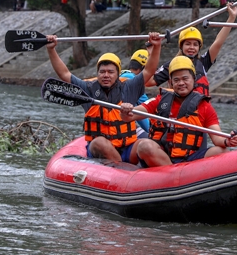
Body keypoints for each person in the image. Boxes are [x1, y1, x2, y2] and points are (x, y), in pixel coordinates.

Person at [45, 31, 162, 163]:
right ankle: (122, 172)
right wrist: (51, 50)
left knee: (147, 145)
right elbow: (65, 74)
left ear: (118, 74)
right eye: (102, 72)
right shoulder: (87, 89)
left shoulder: (129, 87)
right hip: (101, 149)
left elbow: (148, 71)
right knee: (100, 142)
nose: (106, 75)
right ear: (98, 74)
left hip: (127, 147)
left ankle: (170, 178)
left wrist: (156, 47)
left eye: (111, 72)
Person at [121, 56, 237, 167]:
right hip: (161, 155)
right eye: (176, 80)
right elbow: (129, 116)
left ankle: (179, 176)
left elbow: (217, 138)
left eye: (185, 79)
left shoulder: (204, 106)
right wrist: (126, 110)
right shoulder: (159, 101)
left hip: (188, 158)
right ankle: (174, 176)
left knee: (222, 151)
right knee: (144, 146)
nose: (181, 83)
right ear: (171, 82)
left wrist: (227, 140)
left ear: (193, 79)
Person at [146, 2, 237, 97]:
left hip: (199, 109)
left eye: (195, 45)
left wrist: (232, 17)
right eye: (188, 44)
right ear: (181, 46)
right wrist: (151, 54)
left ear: (199, 47)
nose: (192, 48)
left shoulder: (203, 62)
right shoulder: (171, 65)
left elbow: (218, 42)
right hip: (178, 109)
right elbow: (148, 81)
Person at [120, 47, 152, 133]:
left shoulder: (121, 75)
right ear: (143, 68)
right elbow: (148, 106)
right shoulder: (134, 82)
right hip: (121, 124)